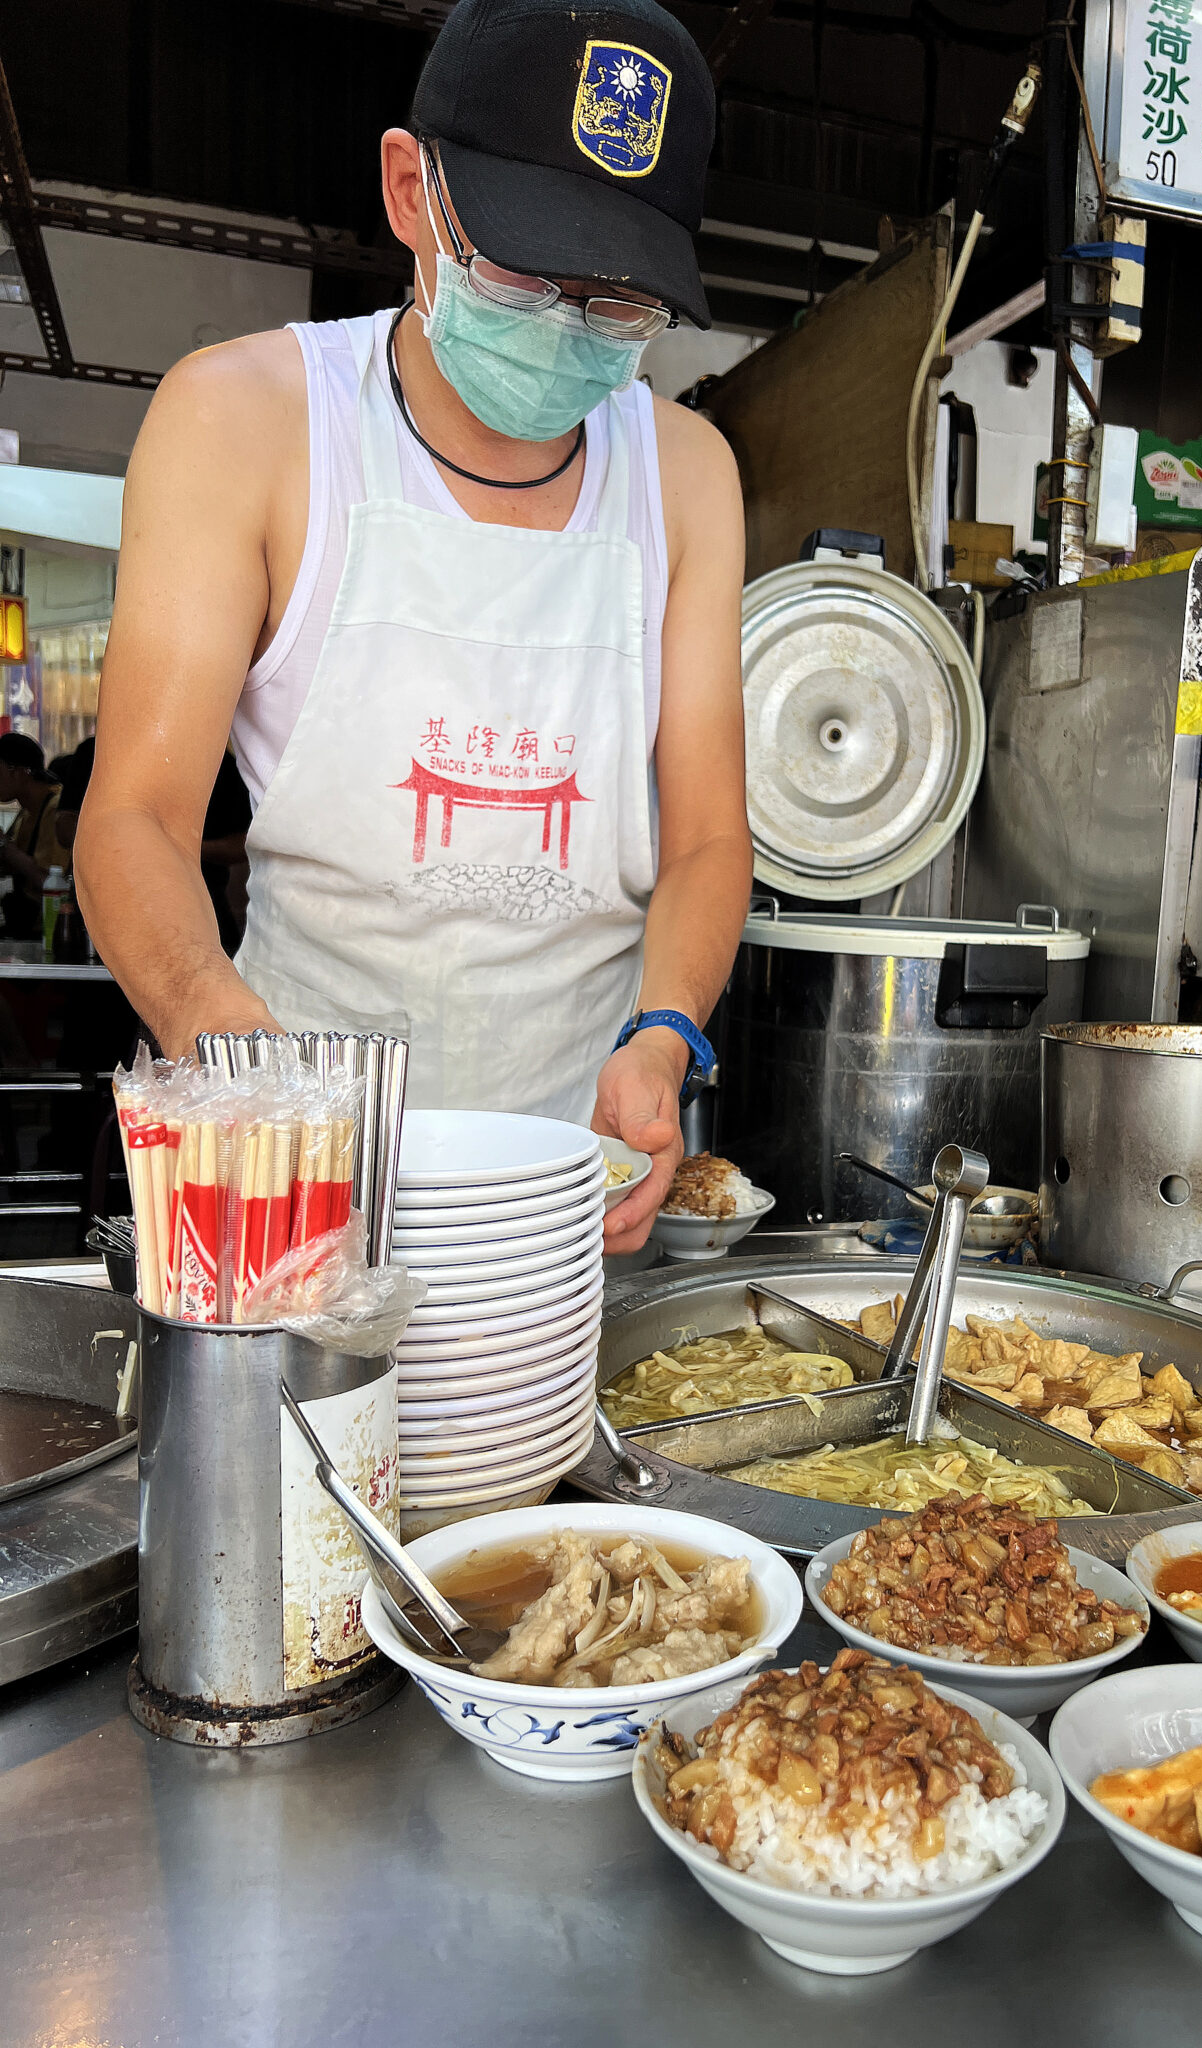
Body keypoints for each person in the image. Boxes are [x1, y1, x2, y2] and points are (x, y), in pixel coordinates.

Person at [74, 0, 752, 1252]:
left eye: (618, 303)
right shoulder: (249, 422)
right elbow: (132, 824)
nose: (567, 323)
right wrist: (231, 1049)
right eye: (526, 269)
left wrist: (664, 1034)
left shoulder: (687, 474)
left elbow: (710, 836)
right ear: (409, 191)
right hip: (292, 1155)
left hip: (571, 1194)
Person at [57, 738, 253, 953]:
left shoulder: (214, 757)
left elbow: (243, 844)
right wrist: (129, 840)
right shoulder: (95, 750)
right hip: (104, 910)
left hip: (197, 913)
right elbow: (65, 829)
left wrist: (177, 847)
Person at [0, 733, 66, 940]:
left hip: (53, 932)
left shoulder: (56, 809)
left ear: (19, 772)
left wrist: (3, 844)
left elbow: (50, 881)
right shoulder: (26, 812)